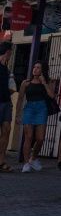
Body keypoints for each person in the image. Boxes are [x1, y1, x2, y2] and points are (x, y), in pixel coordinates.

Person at [17, 61, 55, 172]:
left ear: (42, 70)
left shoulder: (47, 82)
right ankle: (26, 163)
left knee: (40, 138)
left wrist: (44, 83)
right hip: (29, 108)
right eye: (34, 67)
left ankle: (33, 158)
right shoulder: (26, 83)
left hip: (41, 109)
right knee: (28, 137)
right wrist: (18, 114)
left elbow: (52, 96)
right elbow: (20, 99)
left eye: (38, 68)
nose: (35, 69)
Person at [0, 42, 13, 172]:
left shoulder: (6, 68)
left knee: (7, 129)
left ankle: (1, 160)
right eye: (11, 51)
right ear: (7, 52)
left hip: (6, 102)